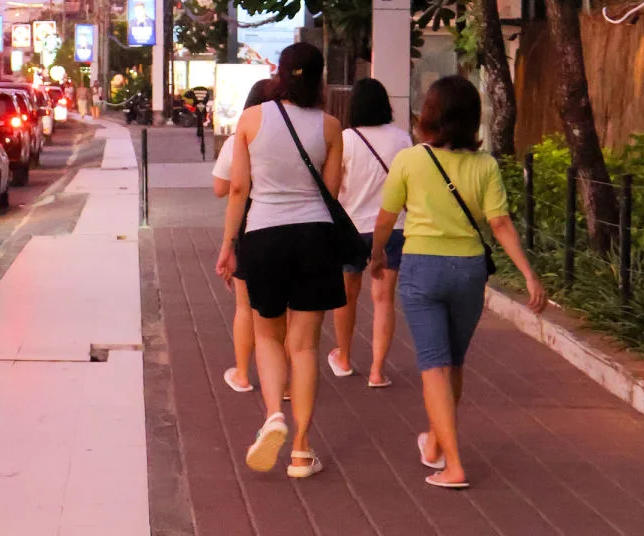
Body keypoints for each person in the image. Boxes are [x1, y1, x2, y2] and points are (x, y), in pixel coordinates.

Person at [370, 76, 547, 490]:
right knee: (453, 363)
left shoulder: (410, 161)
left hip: (421, 269)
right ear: (472, 119)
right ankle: (433, 442)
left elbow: (385, 218)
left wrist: (377, 254)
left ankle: (454, 464)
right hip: (468, 270)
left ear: (432, 114)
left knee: (433, 365)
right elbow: (499, 224)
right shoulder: (484, 165)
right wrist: (528, 273)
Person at [215, 43, 345, 479]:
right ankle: (303, 452)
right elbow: (331, 193)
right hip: (314, 238)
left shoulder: (251, 120)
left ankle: (274, 415)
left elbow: (237, 190)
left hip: (263, 236)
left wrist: (228, 244)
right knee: (305, 346)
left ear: (280, 73)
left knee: (267, 336)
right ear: (319, 78)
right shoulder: (330, 127)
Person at [329, 78, 412, 386]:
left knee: (346, 297)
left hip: (352, 229)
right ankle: (378, 371)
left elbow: (334, 188)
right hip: (392, 228)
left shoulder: (346, 139)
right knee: (383, 299)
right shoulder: (402, 139)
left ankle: (345, 358)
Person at [212, 78, 276, 395]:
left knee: (245, 307)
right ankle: (285, 381)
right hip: (290, 227)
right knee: (287, 310)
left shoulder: (240, 137)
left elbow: (221, 188)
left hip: (248, 226)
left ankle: (242, 373)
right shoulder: (296, 136)